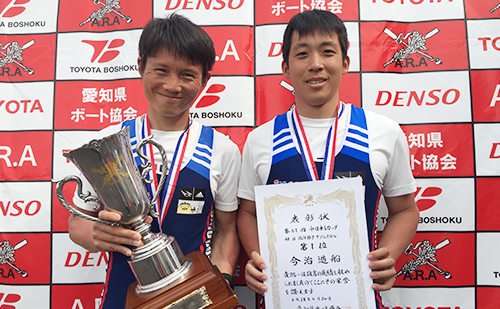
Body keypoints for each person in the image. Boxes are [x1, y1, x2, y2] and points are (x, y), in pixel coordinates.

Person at [236, 9, 419, 308]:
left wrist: (387, 256)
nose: (316, 64)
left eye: (328, 52)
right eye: (302, 54)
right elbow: (247, 213)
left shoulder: (383, 132)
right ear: (285, 67)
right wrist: (258, 259)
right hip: (286, 296)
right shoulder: (260, 139)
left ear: (345, 63)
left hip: (357, 297)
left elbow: (405, 210)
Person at [67, 14, 241, 308]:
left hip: (195, 296)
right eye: (161, 70)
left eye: (187, 74)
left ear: (205, 79)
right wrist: (97, 234)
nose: (173, 85)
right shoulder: (106, 144)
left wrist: (222, 277)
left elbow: (225, 229)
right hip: (122, 296)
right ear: (140, 67)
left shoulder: (222, 150)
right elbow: (77, 224)